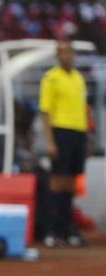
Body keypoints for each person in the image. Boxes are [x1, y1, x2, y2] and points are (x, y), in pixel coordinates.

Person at [39, 39, 89, 247]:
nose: (66, 56)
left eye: (69, 52)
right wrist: (50, 141)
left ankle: (66, 228)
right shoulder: (51, 78)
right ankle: (51, 230)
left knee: (71, 183)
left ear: (73, 55)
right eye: (62, 52)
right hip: (61, 131)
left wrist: (87, 136)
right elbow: (46, 111)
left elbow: (83, 108)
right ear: (57, 56)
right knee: (57, 182)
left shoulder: (78, 78)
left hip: (78, 132)